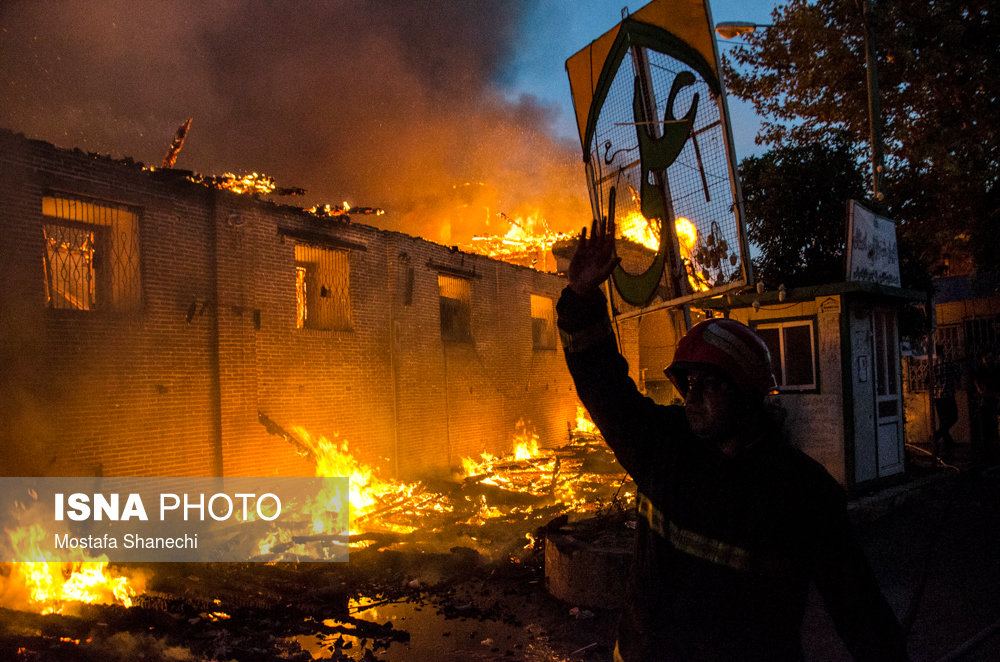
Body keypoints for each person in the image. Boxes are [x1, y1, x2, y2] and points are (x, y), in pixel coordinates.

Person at [556, 215, 908, 661]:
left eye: (710, 382)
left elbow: (860, 613)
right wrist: (582, 298)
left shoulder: (802, 493)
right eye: (688, 382)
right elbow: (603, 385)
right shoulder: (663, 447)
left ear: (747, 393)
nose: (692, 395)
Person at [931, 348, 960, 460]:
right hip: (948, 395)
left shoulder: (932, 364)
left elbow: (926, 379)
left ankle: (948, 441)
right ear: (943, 352)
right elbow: (957, 375)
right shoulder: (949, 362)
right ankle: (937, 436)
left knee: (943, 420)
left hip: (937, 397)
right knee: (953, 417)